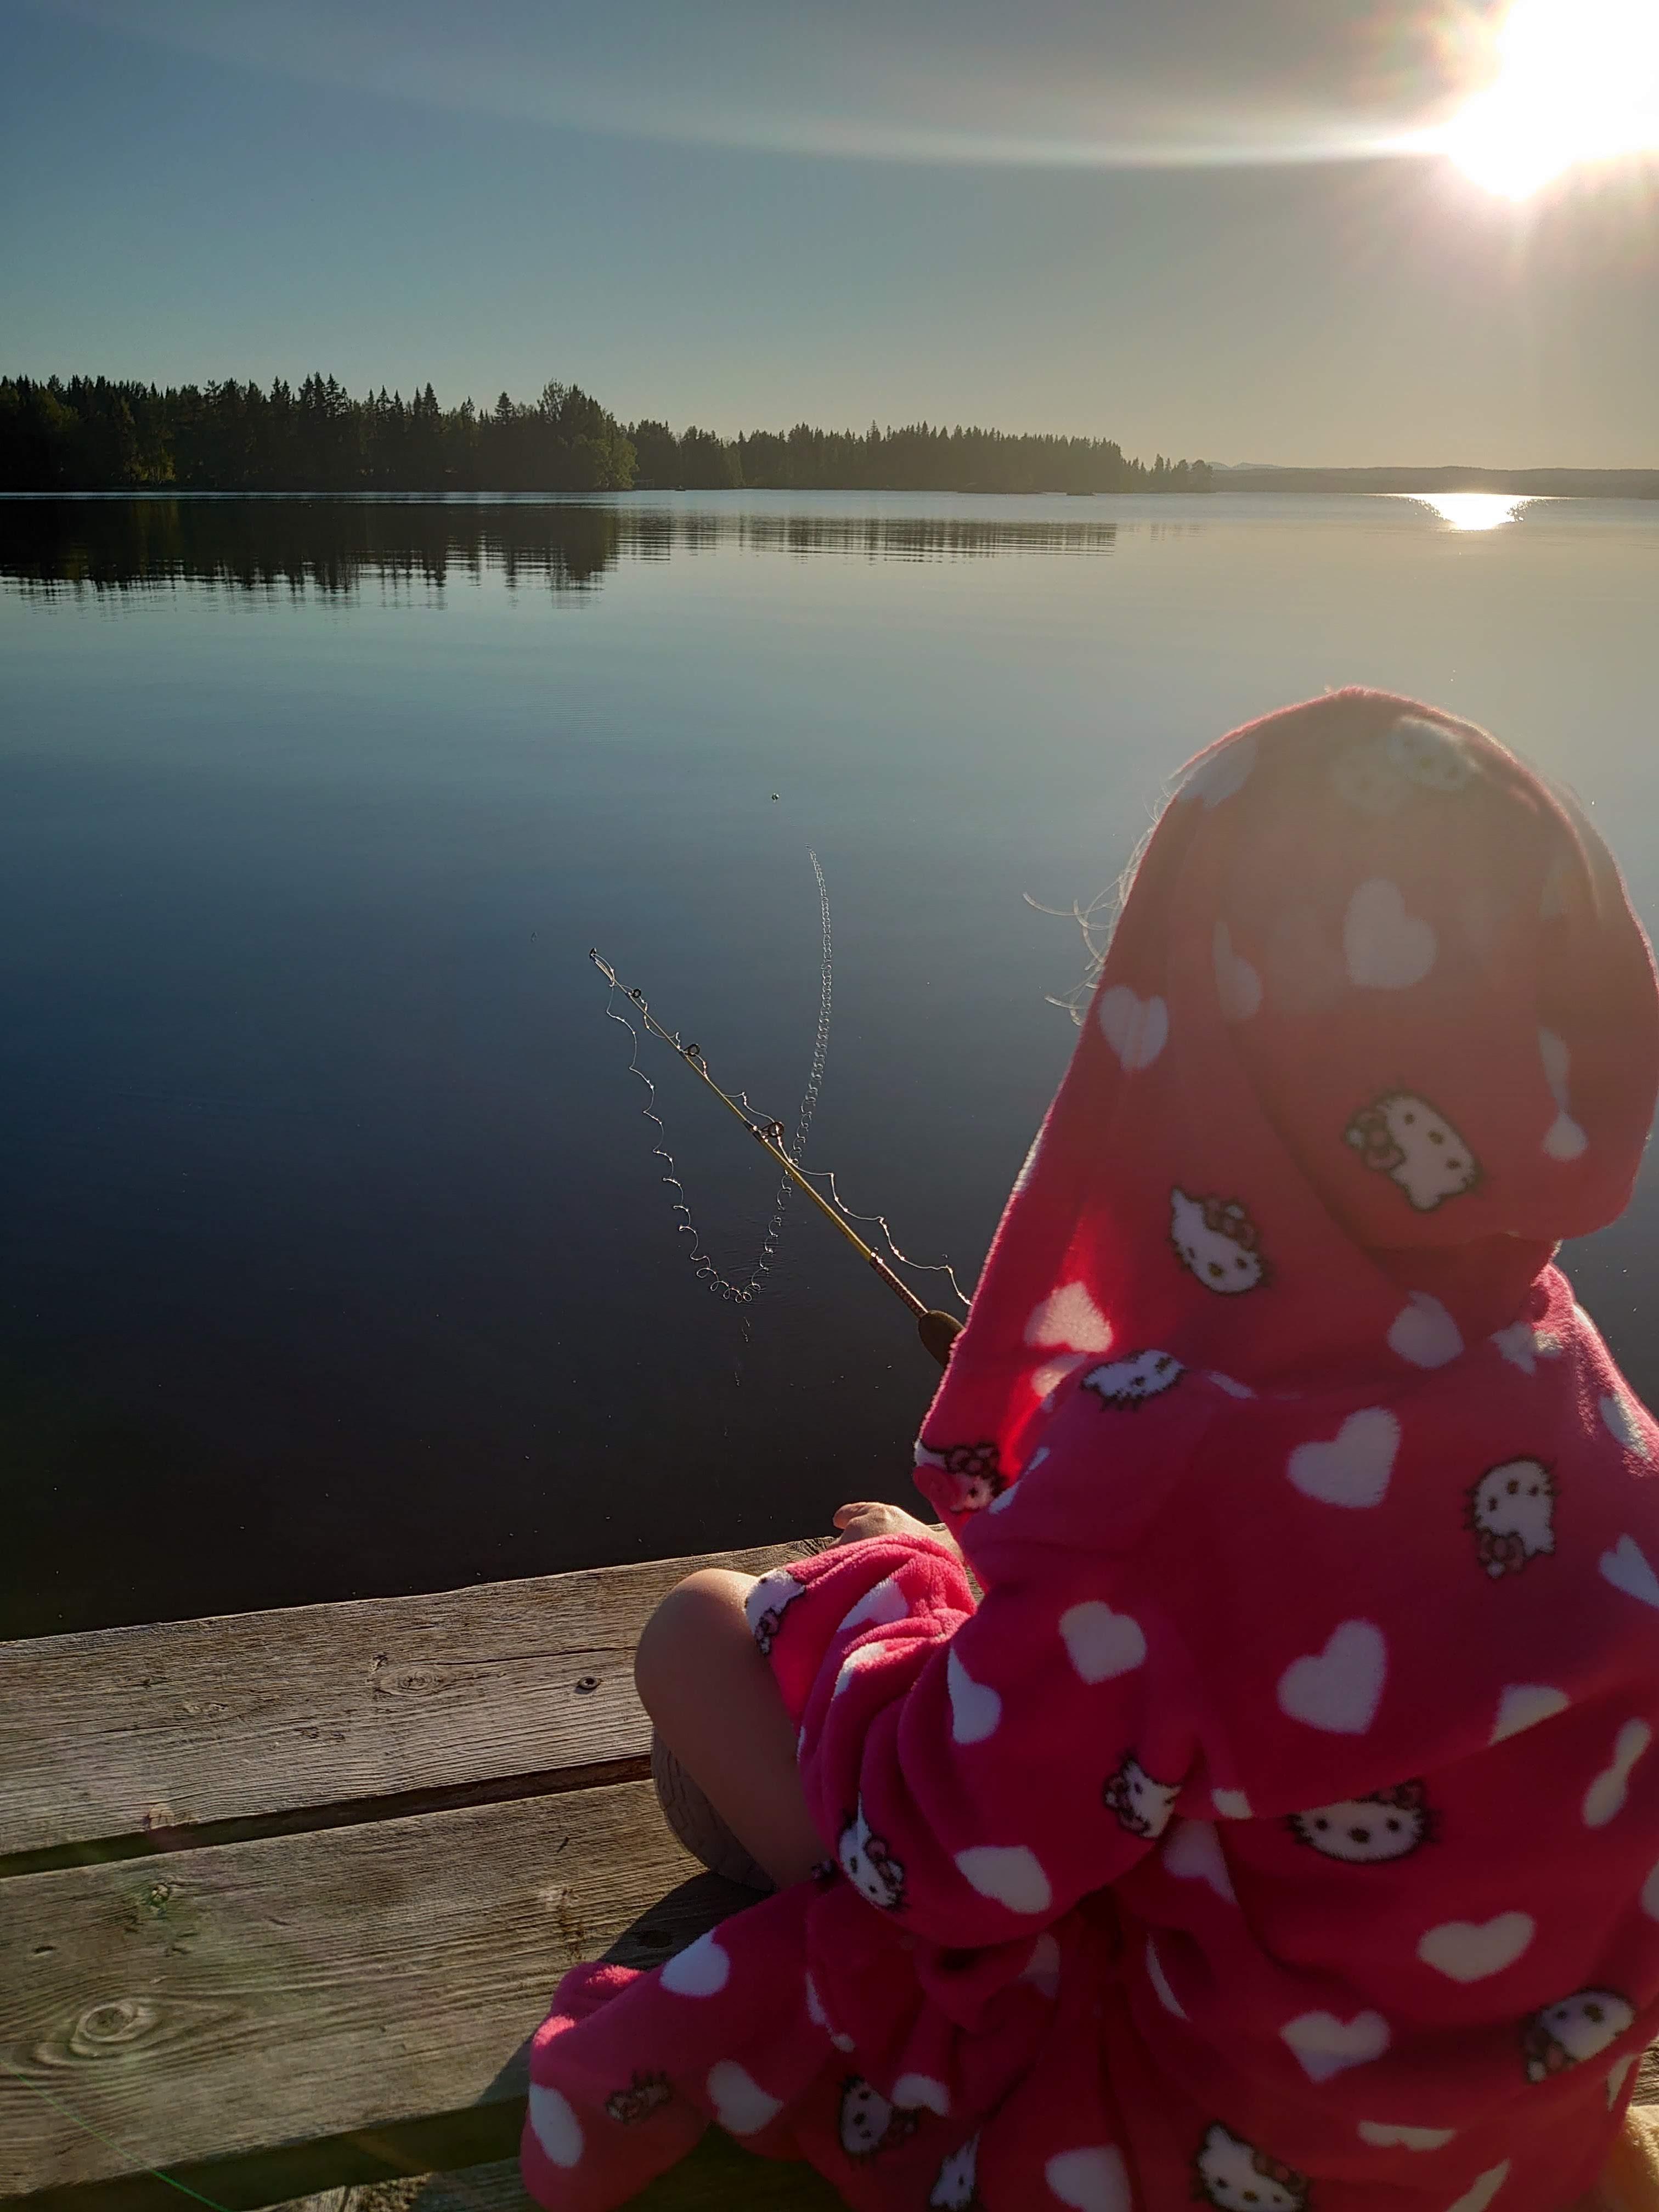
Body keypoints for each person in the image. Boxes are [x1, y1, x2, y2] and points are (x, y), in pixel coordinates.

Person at [522, 689, 1659, 2212]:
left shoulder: (1172, 1480)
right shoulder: (1588, 1401)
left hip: (1214, 2142)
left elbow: (953, 1860)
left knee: (699, 1629)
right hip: (1505, 2120)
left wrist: (900, 1636)